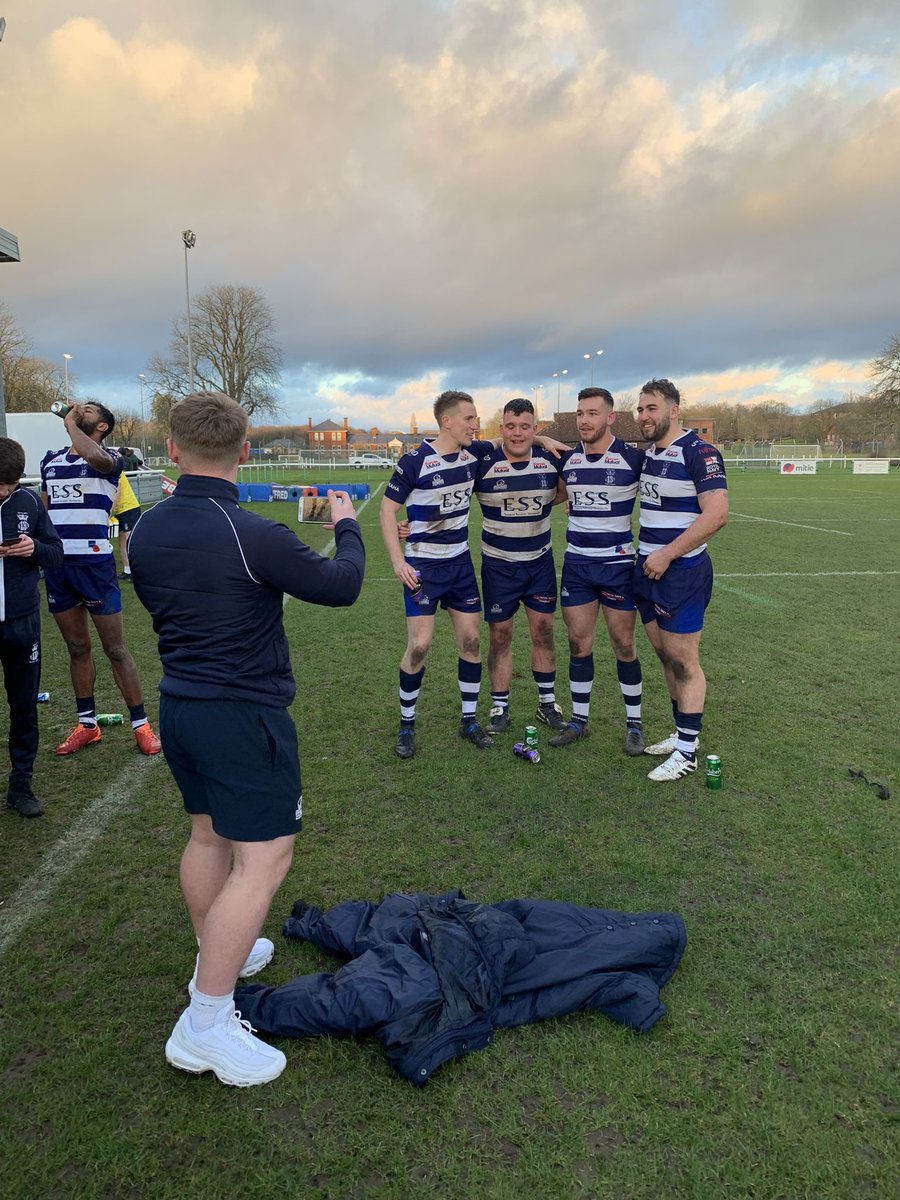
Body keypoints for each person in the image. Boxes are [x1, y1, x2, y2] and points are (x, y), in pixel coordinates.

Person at [129, 391, 365, 1087]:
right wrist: (347, 524)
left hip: (181, 707)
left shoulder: (145, 527)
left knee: (208, 836)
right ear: (244, 451)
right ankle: (206, 1021)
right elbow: (341, 586)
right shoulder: (248, 531)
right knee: (263, 860)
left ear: (174, 449)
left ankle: (215, 951)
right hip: (239, 714)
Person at [40, 403, 161, 756]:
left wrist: (70, 425)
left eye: (89, 409)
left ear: (103, 426)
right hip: (59, 568)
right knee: (77, 648)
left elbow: (95, 457)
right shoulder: (50, 461)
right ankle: (87, 725)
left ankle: (141, 725)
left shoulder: (110, 460)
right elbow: (44, 512)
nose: (81, 408)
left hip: (94, 566)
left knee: (115, 649)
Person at [380, 390, 494, 759]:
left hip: (459, 565)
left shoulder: (474, 453)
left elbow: (511, 441)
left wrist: (543, 439)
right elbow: (387, 511)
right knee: (419, 646)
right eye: (469, 419)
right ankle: (407, 724)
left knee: (472, 642)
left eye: (475, 418)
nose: (475, 425)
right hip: (423, 568)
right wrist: (398, 562)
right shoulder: (415, 461)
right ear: (447, 421)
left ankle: (469, 720)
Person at [633, 379, 728, 782]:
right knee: (665, 655)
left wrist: (668, 553)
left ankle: (687, 752)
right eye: (640, 409)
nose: (644, 416)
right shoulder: (650, 454)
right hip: (647, 569)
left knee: (685, 659)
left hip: (681, 571)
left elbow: (717, 514)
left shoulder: (699, 452)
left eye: (651, 408)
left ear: (673, 410)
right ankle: (681, 733)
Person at [549, 388, 647, 755]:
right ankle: (579, 721)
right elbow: (556, 494)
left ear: (610, 417)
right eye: (580, 413)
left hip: (618, 566)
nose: (584, 420)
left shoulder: (633, 459)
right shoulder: (568, 460)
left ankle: (634, 724)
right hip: (578, 565)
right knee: (578, 643)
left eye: (592, 413)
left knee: (624, 644)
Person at [472, 398, 566, 734]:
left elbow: (564, 491)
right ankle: (500, 706)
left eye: (525, 427)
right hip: (498, 567)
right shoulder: (483, 462)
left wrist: (544, 442)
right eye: (510, 426)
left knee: (544, 631)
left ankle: (546, 703)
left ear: (535, 428)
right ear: (501, 429)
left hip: (539, 563)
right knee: (500, 635)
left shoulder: (550, 459)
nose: (517, 433)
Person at [0, 438, 64, 817]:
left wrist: (33, 550)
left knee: (24, 707)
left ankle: (20, 786)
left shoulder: (29, 503)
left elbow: (56, 553)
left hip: (22, 623)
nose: (3, 492)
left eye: (9, 485)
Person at [111, 469, 141, 581]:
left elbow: (117, 491)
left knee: (130, 541)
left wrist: (110, 510)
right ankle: (127, 570)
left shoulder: (115, 469)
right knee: (121, 542)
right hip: (120, 510)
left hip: (129, 508)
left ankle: (136, 572)